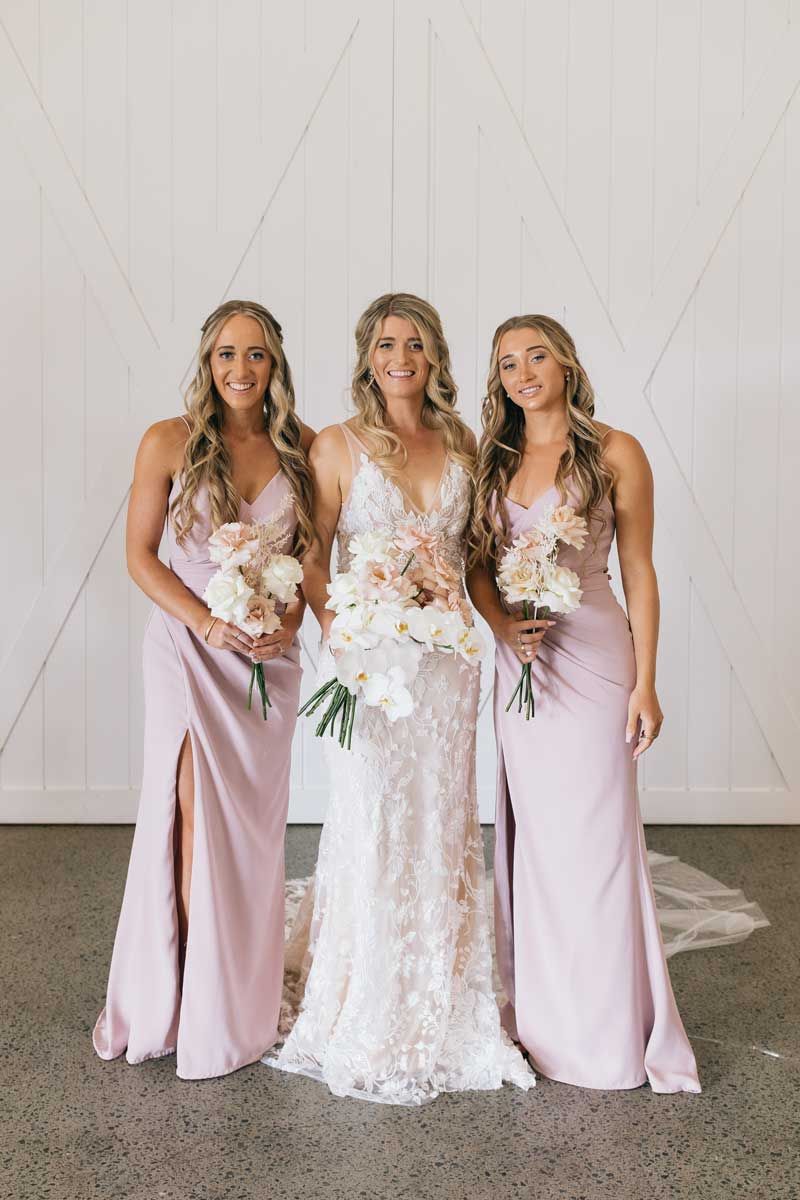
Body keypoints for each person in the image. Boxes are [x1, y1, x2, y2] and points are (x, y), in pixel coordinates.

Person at [271, 293, 534, 1103]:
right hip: (370, 664)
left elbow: (474, 556)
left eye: (415, 343)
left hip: (449, 665)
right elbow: (312, 555)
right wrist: (342, 632)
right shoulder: (336, 444)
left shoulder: (463, 442)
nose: (401, 357)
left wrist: (500, 622)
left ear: (434, 356)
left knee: (440, 818)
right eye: (386, 344)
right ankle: (367, 983)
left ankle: (444, 978)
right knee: (376, 816)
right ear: (367, 356)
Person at [467, 314, 701, 1093]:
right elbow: (475, 568)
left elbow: (639, 570)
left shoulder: (615, 450)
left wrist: (647, 680)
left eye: (537, 356)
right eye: (508, 363)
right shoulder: (492, 458)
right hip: (524, 663)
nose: (523, 373)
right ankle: (543, 1023)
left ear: (566, 364)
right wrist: (503, 628)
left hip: (597, 657)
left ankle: (605, 1033)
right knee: (538, 843)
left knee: (598, 843)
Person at [93, 300, 315, 1079]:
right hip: (189, 651)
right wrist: (207, 624)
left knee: (250, 833)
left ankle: (239, 988)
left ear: (275, 363)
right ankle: (188, 992)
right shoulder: (169, 441)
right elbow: (140, 556)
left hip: (266, 662)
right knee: (190, 820)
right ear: (206, 361)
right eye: (226, 353)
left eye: (255, 354)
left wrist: (288, 623)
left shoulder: (304, 447)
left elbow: (311, 565)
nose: (240, 369)